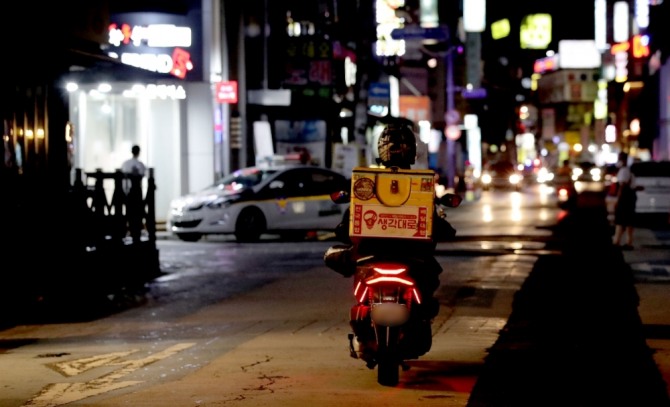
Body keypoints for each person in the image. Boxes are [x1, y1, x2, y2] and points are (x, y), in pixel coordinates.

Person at [612, 152, 641, 250]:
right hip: (630, 197)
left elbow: (623, 186)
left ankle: (617, 241)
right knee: (628, 220)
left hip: (625, 198)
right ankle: (628, 242)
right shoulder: (628, 170)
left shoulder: (624, 170)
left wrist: (618, 200)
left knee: (620, 219)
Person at [121, 145, 147, 242]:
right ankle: (136, 231)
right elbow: (144, 174)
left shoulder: (126, 163)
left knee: (129, 212)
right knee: (138, 212)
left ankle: (129, 230)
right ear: (138, 152)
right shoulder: (140, 164)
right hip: (137, 191)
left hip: (128, 191)